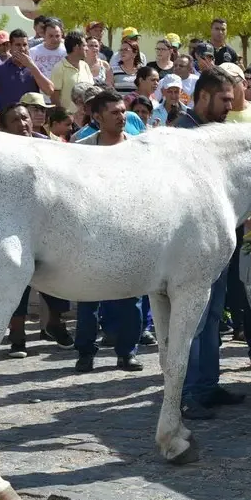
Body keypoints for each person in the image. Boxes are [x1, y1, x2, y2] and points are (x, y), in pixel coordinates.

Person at [173, 67, 247, 418]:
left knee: (214, 316)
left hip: (217, 242)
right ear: (203, 96)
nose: (229, 108)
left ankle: (207, 385)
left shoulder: (218, 134)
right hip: (189, 247)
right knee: (194, 320)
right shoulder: (180, 135)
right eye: (224, 100)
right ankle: (185, 394)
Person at [73, 89, 146, 373]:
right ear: (97, 117)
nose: (121, 117)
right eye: (114, 113)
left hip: (130, 232)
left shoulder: (139, 148)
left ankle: (128, 352)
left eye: (122, 111)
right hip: (90, 233)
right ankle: (85, 352)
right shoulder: (82, 148)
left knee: (131, 296)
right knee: (88, 297)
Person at [0, 103, 75, 356]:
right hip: (10, 226)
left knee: (56, 275)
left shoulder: (48, 146)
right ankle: (17, 337)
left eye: (25, 118)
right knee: (16, 284)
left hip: (47, 225)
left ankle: (55, 322)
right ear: (4, 126)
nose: (23, 124)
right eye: (15, 120)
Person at [0, 29, 55, 111]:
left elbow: (49, 91)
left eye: (25, 45)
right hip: (8, 120)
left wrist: (31, 66)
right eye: (18, 45)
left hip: (31, 119)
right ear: (10, 46)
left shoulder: (36, 68)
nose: (22, 48)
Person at [50, 31, 94, 113]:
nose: (87, 49)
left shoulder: (85, 66)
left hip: (86, 118)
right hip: (69, 121)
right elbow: (54, 98)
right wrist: (63, 118)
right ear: (76, 47)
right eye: (84, 45)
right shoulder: (59, 68)